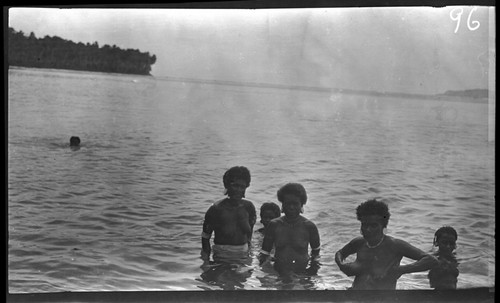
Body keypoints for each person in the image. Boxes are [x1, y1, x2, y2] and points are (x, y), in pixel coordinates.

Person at [335, 199, 438, 290]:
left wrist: (401, 270)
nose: (368, 229)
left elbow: (431, 260)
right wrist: (342, 265)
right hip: (356, 295)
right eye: (364, 225)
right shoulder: (359, 243)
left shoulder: (394, 245)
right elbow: (340, 253)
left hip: (384, 298)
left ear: (383, 226)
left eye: (374, 225)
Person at [258, 183, 320, 277]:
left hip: (302, 273)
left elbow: (315, 256)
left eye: (295, 204)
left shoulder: (310, 227)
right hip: (278, 272)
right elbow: (264, 254)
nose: (291, 207)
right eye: (288, 203)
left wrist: (310, 274)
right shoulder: (274, 225)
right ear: (282, 204)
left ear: (302, 205)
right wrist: (266, 273)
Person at [201, 166, 257, 264]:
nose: (238, 190)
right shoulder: (216, 209)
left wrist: (249, 255)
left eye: (242, 187)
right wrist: (206, 262)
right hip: (222, 254)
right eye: (235, 185)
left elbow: (249, 235)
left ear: (246, 187)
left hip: (243, 253)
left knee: (242, 279)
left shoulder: (249, 207)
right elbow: (205, 238)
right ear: (227, 185)